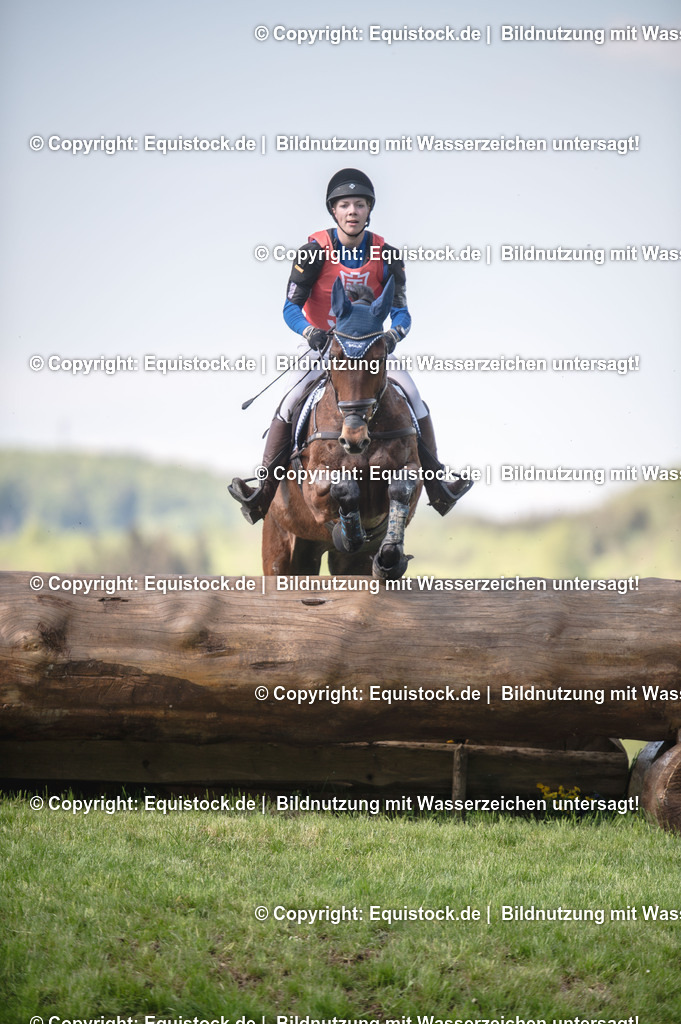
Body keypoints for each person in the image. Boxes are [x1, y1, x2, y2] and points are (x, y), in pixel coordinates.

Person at [229, 168, 473, 523]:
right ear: (334, 211)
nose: (352, 211)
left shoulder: (387, 255)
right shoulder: (314, 252)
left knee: (413, 395)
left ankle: (437, 484)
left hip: (371, 350)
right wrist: (311, 333)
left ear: (369, 209)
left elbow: (402, 312)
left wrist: (393, 336)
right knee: (290, 399)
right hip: (323, 347)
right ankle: (263, 491)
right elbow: (289, 308)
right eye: (345, 205)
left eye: (359, 204)